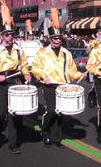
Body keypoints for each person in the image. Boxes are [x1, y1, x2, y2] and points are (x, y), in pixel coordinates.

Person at [31, 8, 86, 148]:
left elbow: (72, 71)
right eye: (55, 38)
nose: (57, 40)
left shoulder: (66, 53)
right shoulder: (42, 52)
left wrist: (81, 74)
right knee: (50, 110)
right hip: (48, 85)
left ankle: (56, 137)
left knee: (59, 112)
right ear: (50, 39)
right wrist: (44, 77)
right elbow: (36, 69)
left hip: (62, 86)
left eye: (59, 38)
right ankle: (45, 133)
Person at [0, 1, 31, 154]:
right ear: (2, 36)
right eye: (7, 34)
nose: (10, 37)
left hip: (15, 82)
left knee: (14, 113)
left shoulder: (18, 49)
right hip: (1, 83)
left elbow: (23, 64)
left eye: (11, 34)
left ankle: (13, 143)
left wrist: (27, 74)